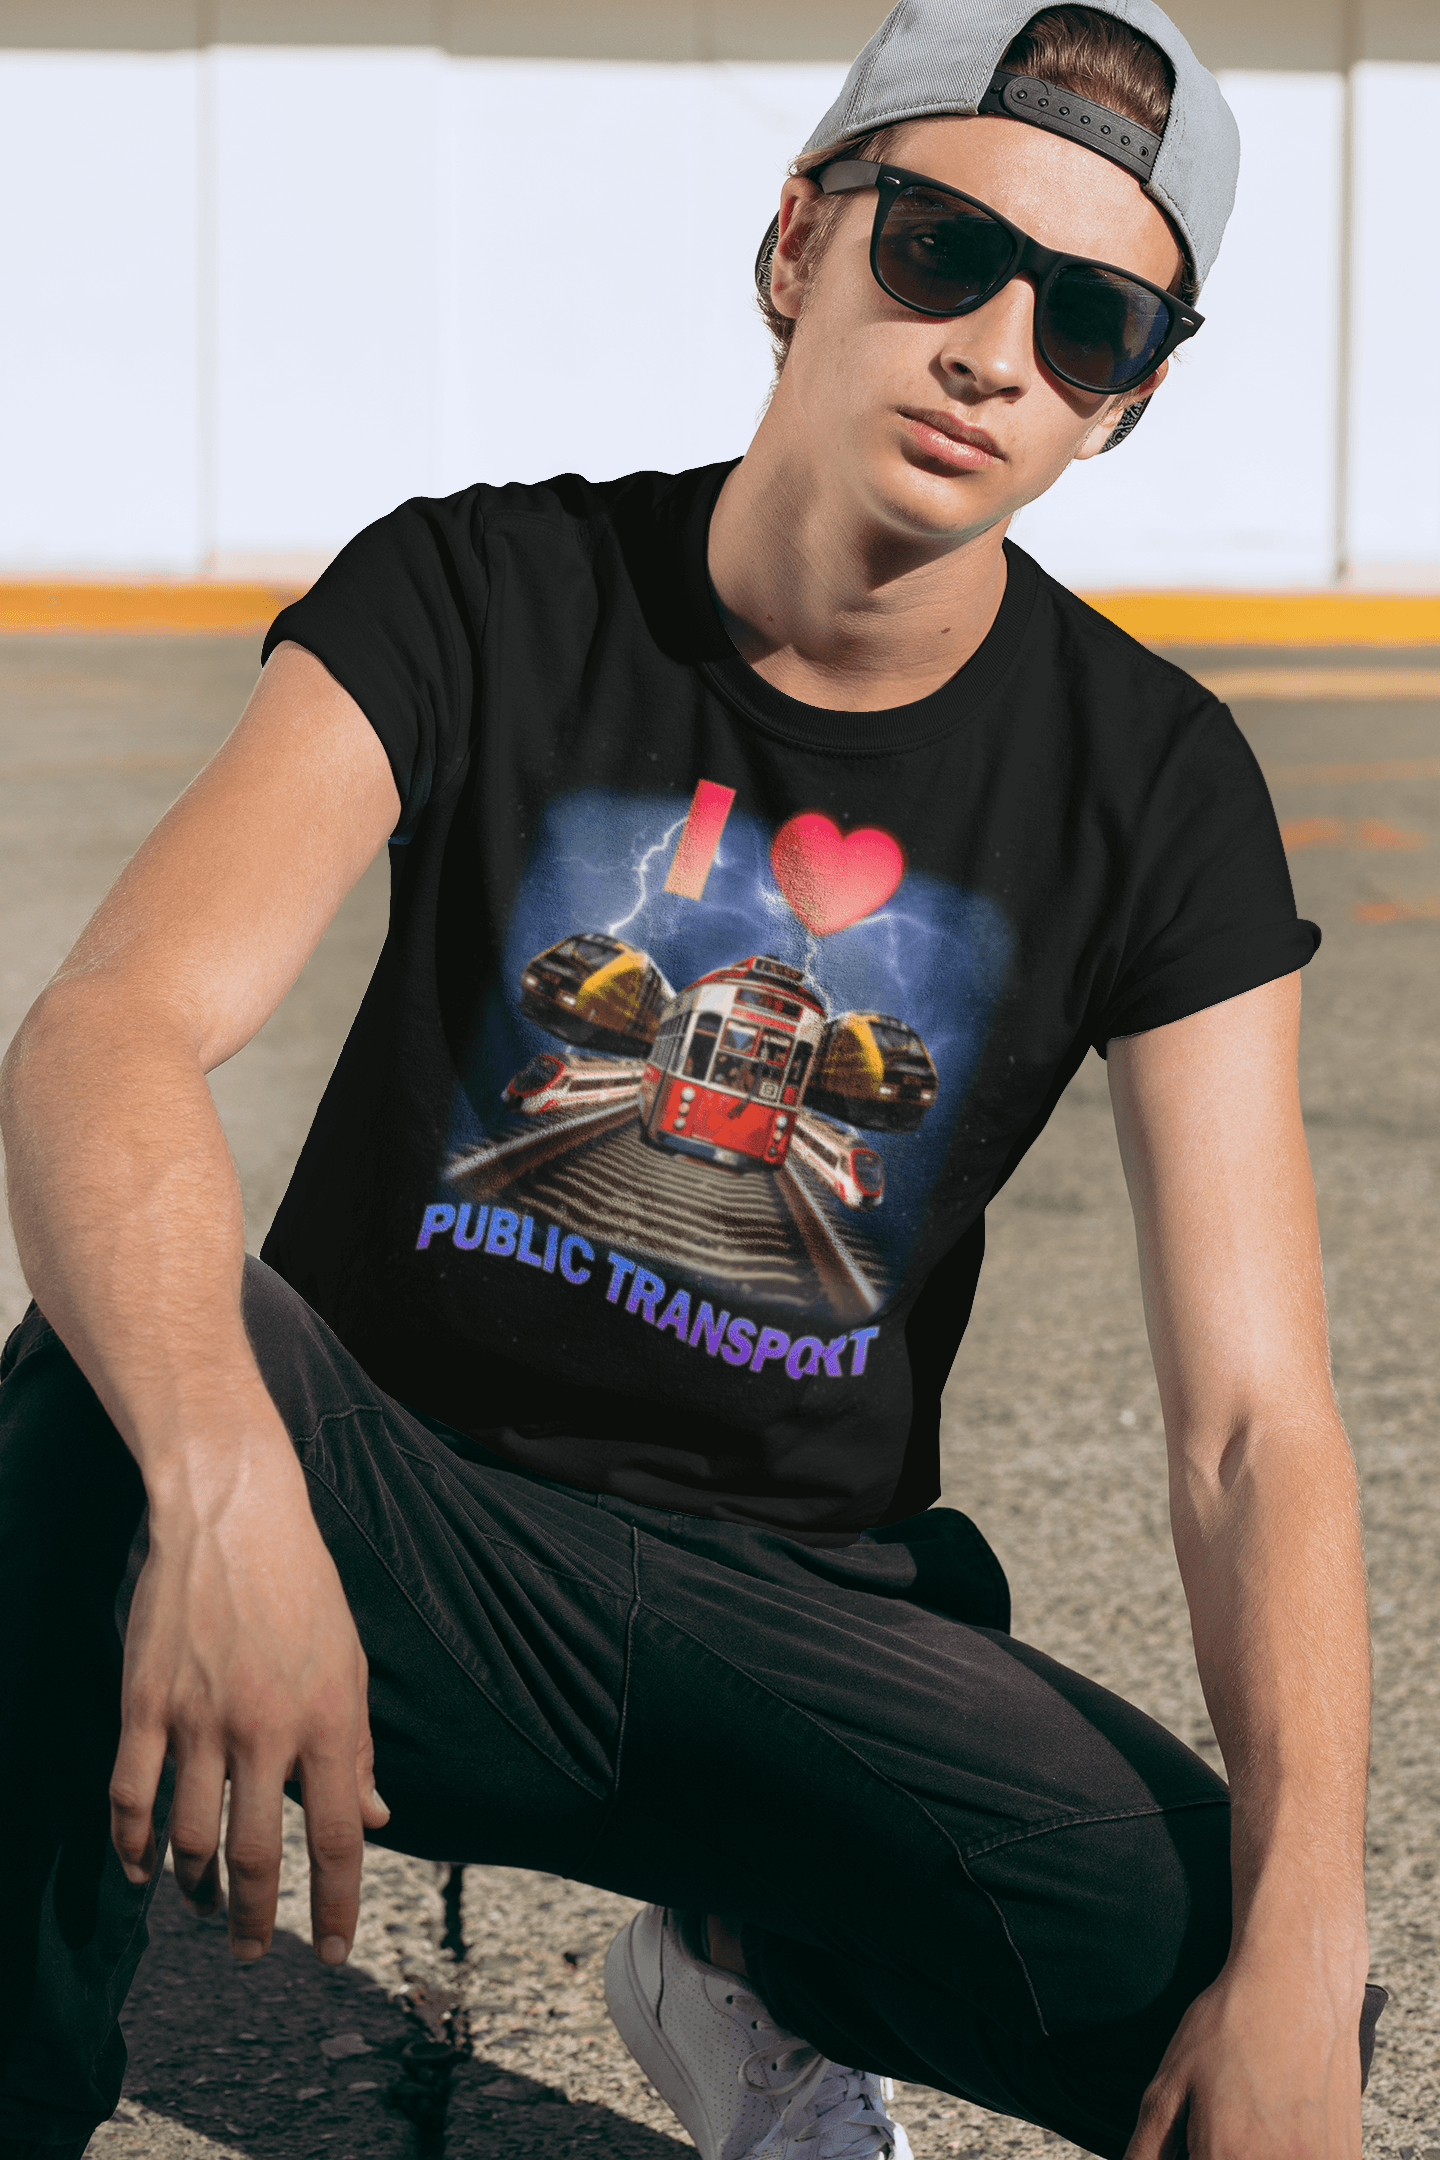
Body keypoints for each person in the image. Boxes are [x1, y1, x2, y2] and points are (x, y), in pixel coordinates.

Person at [0, 1, 1383, 2156]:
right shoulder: (475, 589)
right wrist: (223, 1480)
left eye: (1093, 317)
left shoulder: (1158, 786)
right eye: (942, 250)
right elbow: (111, 1028)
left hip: (794, 1624)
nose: (999, 344)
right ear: (797, 248)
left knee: (1234, 1957)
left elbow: (1249, 1428)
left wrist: (1309, 1940)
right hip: (397, 1554)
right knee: (109, 1361)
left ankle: (749, 1960)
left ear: (1130, 397)